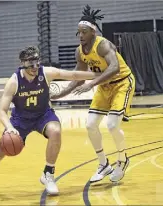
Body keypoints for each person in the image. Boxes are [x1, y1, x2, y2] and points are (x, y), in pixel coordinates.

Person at [0, 46, 101, 200]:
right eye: (31, 64)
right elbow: (2, 111)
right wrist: (9, 128)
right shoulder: (14, 81)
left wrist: (99, 74)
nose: (35, 67)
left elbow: (73, 74)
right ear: (22, 63)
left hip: (43, 114)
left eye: (37, 63)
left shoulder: (45, 72)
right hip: (20, 120)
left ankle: (48, 173)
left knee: (55, 131)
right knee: (0, 151)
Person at [51, 5, 135, 183]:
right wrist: (60, 95)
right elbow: (78, 78)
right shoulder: (79, 52)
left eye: (84, 32)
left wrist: (92, 84)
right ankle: (104, 164)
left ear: (93, 32)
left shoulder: (103, 45)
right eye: (78, 32)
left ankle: (122, 159)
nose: (80, 35)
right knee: (90, 125)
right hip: (104, 86)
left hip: (122, 83)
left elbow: (114, 67)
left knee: (112, 125)